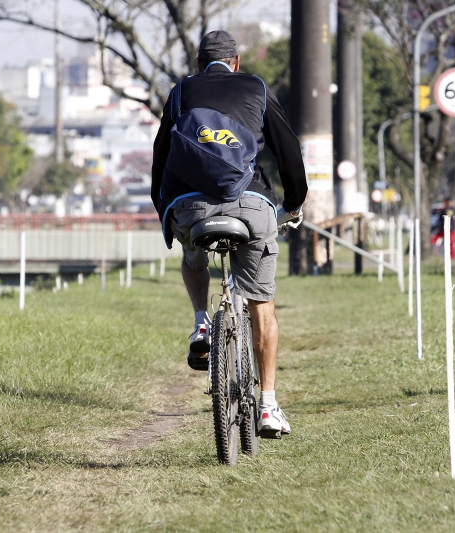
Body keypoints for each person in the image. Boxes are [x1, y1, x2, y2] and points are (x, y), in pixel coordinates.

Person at [151, 30, 308, 438]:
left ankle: (202, 322)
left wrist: (165, 211)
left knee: (192, 254)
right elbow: (288, 150)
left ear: (199, 65)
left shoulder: (181, 92)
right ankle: (269, 406)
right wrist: (293, 201)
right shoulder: (255, 87)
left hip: (191, 207)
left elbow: (160, 158)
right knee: (263, 306)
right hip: (251, 204)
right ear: (236, 62)